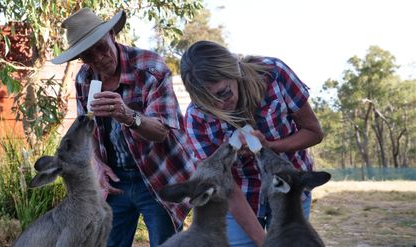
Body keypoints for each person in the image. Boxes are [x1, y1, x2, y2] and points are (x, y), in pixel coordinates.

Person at [51, 8, 196, 247]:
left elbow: (162, 132)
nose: (98, 58)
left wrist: (127, 115)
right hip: (116, 178)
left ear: (112, 36)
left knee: (165, 243)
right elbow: (88, 130)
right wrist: (97, 164)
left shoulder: (150, 68)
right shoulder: (84, 79)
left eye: (101, 47)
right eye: (87, 55)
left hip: (158, 174)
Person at [180, 40, 324, 247]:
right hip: (240, 196)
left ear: (235, 71)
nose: (220, 105)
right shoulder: (196, 117)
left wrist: (270, 147)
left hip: (287, 191)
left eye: (223, 92)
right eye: (209, 100)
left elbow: (313, 132)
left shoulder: (274, 75)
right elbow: (227, 187)